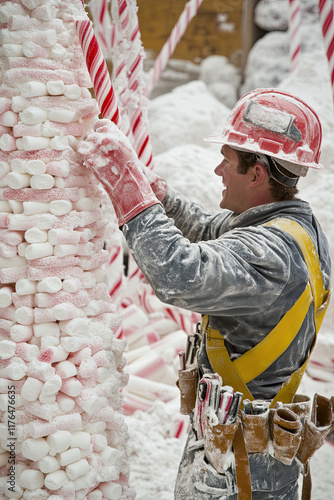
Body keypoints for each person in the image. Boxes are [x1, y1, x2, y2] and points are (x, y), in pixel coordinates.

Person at [78, 88, 332, 499]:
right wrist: (155, 194)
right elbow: (211, 231)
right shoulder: (293, 229)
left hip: (238, 467)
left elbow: (179, 272)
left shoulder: (271, 255)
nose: (218, 169)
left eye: (227, 160)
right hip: (247, 450)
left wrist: (128, 191)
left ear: (257, 173)